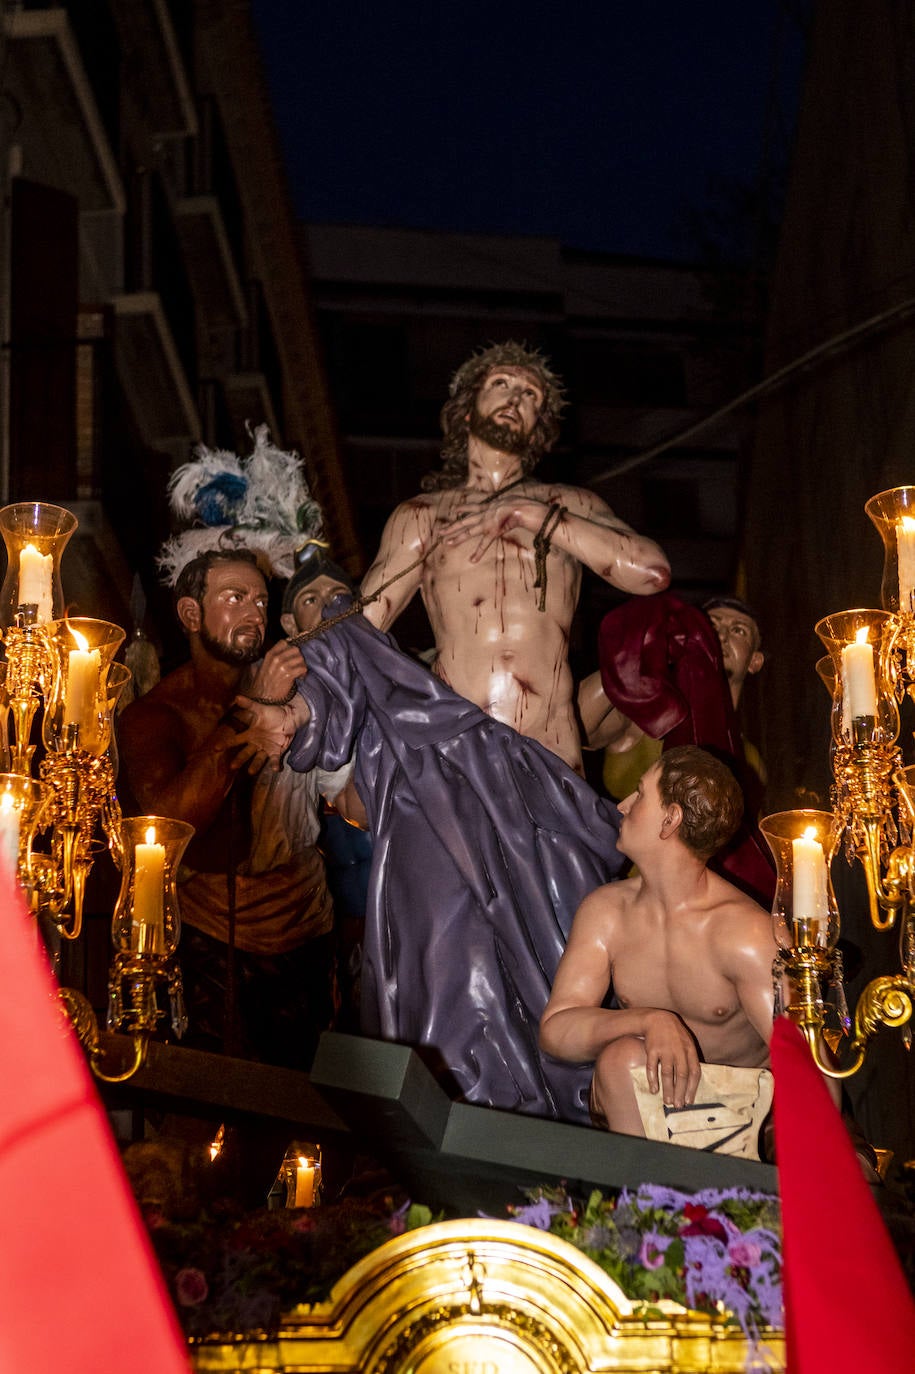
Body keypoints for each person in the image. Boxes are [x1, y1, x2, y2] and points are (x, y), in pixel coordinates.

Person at [360, 341, 671, 775]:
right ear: (468, 409)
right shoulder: (424, 515)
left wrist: (531, 514)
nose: (515, 398)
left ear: (537, 426)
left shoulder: (568, 503)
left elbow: (651, 572)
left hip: (551, 754)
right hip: (455, 752)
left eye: (531, 395)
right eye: (501, 384)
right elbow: (362, 628)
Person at [117, 547, 350, 1072]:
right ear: (191, 615)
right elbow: (170, 823)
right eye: (235, 597)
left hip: (303, 925)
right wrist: (252, 712)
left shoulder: (298, 695)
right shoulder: (156, 716)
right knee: (209, 1101)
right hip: (211, 938)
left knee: (307, 1104)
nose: (255, 613)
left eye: (263, 602)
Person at [539, 745, 781, 1137]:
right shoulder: (607, 912)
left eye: (639, 794)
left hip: (744, 1123)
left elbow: (804, 1063)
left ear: (670, 820)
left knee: (623, 1059)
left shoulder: (745, 935)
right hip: (638, 1114)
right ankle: (644, 1195)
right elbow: (555, 1030)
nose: (622, 805)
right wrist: (650, 1020)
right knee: (624, 1058)